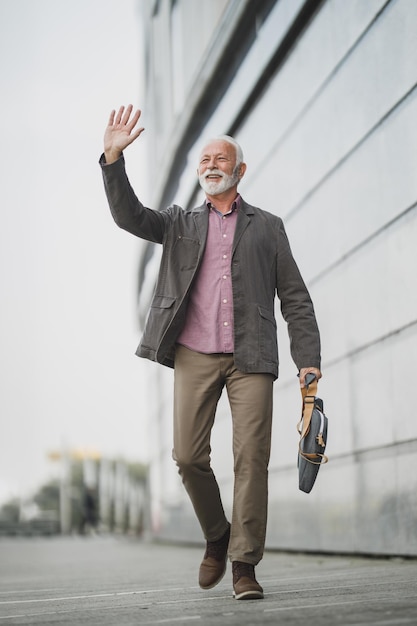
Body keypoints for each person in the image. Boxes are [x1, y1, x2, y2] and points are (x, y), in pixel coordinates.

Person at [100, 104, 321, 600]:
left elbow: (295, 297)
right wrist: (113, 159)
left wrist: (308, 357)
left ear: (240, 170)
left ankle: (244, 563)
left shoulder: (268, 226)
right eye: (203, 161)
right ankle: (217, 533)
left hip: (252, 356)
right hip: (195, 352)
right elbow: (129, 216)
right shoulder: (179, 223)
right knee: (186, 455)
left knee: (251, 457)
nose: (210, 165)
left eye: (220, 159)